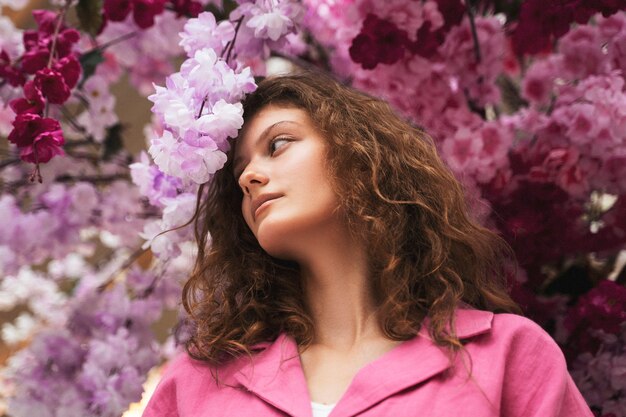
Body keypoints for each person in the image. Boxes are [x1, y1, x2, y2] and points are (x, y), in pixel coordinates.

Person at [142, 71, 593, 417]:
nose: (249, 176)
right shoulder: (196, 381)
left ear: (359, 156)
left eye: (278, 145)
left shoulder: (507, 355)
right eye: (240, 174)